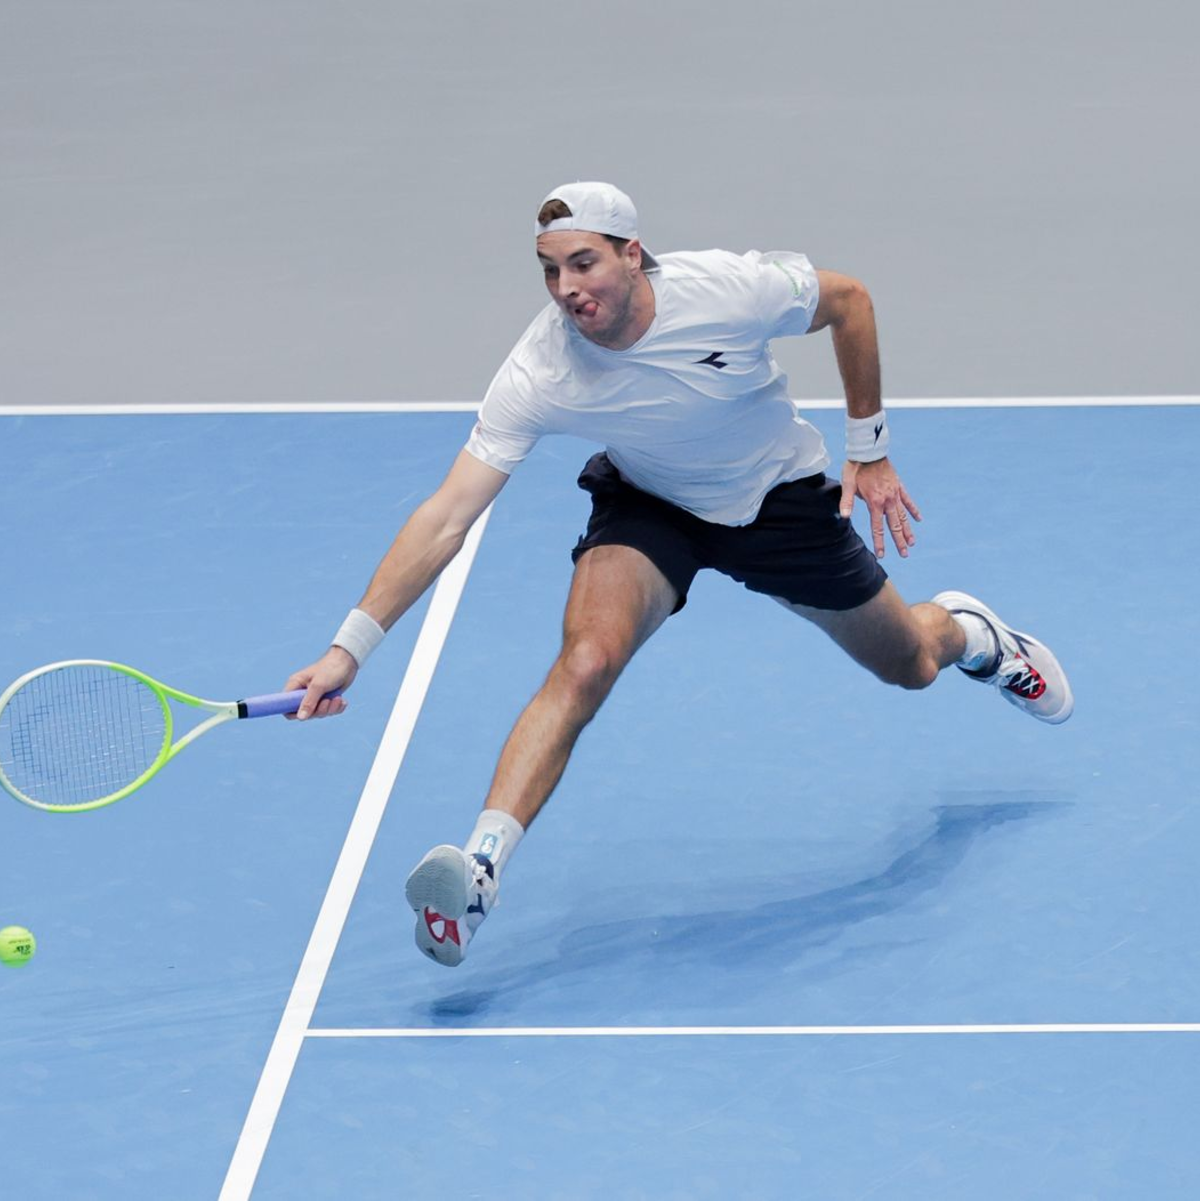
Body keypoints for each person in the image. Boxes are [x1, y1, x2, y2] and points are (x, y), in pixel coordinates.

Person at [285, 181, 1073, 968]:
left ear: (633, 254)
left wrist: (868, 441)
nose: (567, 289)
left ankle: (977, 637)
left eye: (584, 263)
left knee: (911, 663)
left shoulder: (728, 291)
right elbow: (447, 514)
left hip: (777, 501)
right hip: (651, 505)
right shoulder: (541, 368)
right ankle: (481, 870)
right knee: (585, 661)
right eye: (550, 270)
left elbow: (851, 300)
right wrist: (348, 649)